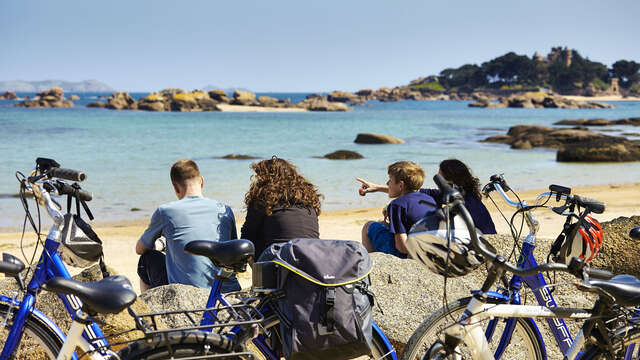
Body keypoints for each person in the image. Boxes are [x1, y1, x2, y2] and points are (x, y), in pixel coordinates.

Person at [136, 159, 241, 293]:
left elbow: (140, 249)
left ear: (175, 187)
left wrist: (162, 244)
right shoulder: (224, 209)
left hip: (188, 292)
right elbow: (231, 250)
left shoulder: (166, 212)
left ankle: (152, 308)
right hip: (227, 288)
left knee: (147, 258)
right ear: (202, 181)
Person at [358, 158, 496, 235]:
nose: (437, 183)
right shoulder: (462, 193)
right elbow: (415, 191)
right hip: (485, 238)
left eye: (439, 178)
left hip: (478, 244)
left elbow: (412, 192)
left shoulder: (460, 202)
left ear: (450, 181)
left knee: (375, 227)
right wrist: (377, 188)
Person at [241, 156, 322, 258]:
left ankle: (260, 273)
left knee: (251, 240)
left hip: (281, 259)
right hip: (313, 256)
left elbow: (248, 234)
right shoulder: (307, 198)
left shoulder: (263, 196)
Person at [360, 161, 437, 258]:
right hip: (429, 250)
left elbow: (402, 248)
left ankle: (370, 263)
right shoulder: (428, 198)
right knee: (381, 222)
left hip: (410, 255)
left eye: (390, 180)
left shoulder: (397, 205)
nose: (387, 183)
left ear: (401, 185)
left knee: (368, 226)